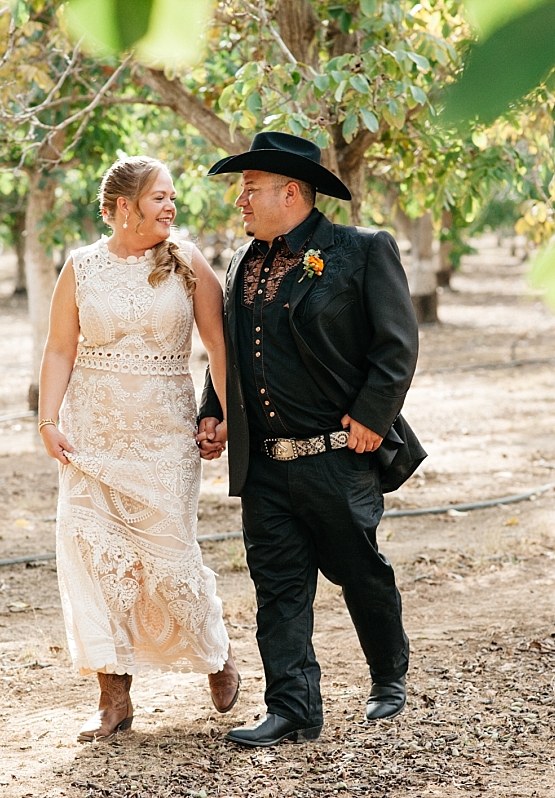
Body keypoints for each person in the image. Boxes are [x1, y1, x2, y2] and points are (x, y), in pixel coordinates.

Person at [196, 132, 426, 748]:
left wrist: (373, 417)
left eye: (249, 191)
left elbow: (396, 346)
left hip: (337, 457)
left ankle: (388, 677)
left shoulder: (361, 250)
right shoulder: (244, 260)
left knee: (360, 571)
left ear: (290, 192)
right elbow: (232, 351)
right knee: (277, 585)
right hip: (266, 465)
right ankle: (292, 708)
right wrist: (214, 409)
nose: (240, 202)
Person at [37, 156, 240, 742]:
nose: (171, 207)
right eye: (159, 198)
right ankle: (113, 697)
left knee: (170, 555)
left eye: (172, 197)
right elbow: (57, 351)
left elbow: (219, 346)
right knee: (97, 563)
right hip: (91, 435)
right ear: (122, 206)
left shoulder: (188, 263)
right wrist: (48, 419)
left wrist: (224, 414)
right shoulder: (80, 268)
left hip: (163, 437)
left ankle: (216, 653)